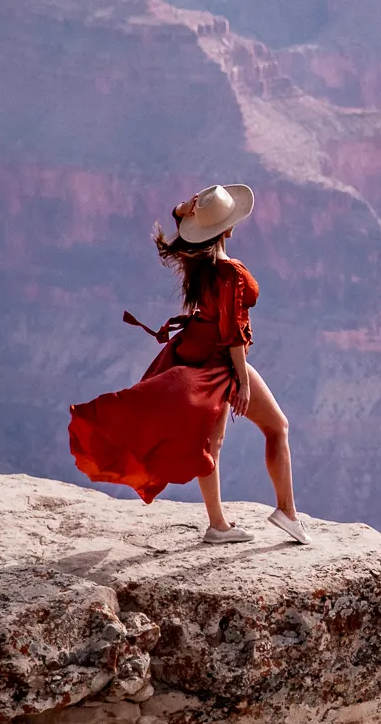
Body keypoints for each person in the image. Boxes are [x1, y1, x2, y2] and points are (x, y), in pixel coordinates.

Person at [69, 183, 308, 545]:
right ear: (228, 228)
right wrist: (241, 382)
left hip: (193, 354)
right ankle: (286, 512)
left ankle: (218, 525)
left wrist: (183, 211)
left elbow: (178, 239)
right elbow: (233, 334)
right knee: (277, 427)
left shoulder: (197, 260)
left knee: (210, 444)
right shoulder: (230, 272)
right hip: (220, 363)